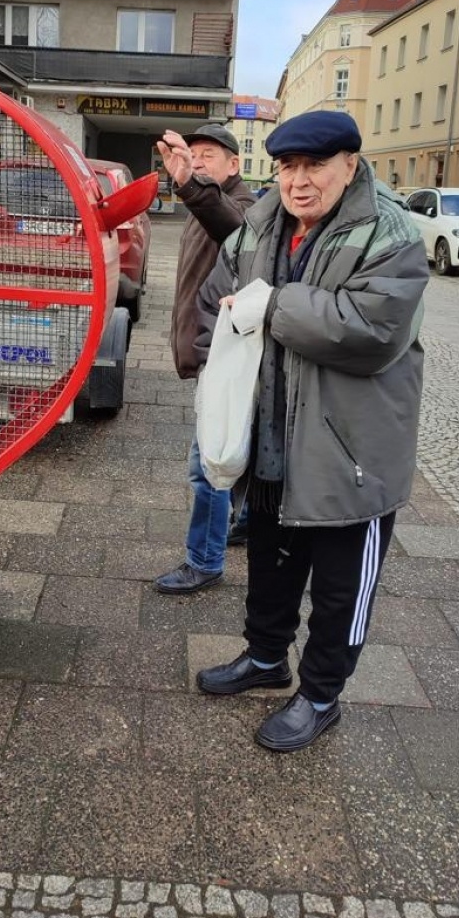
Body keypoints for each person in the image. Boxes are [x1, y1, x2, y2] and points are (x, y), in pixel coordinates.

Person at [193, 110, 428, 751]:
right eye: (287, 166)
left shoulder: (390, 230)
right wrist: (218, 354)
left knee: (339, 589)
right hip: (274, 437)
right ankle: (266, 658)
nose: (298, 181)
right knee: (269, 562)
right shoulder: (266, 218)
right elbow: (223, 289)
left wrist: (271, 306)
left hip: (350, 454)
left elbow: (372, 330)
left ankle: (322, 695)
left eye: (315, 165)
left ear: (350, 163)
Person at [152, 123, 255, 594]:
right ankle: (246, 520)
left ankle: (205, 560)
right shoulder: (204, 202)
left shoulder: (242, 205)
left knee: (208, 463)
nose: (196, 161)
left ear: (234, 165)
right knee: (236, 448)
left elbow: (232, 227)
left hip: (225, 354)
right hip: (212, 349)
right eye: (191, 154)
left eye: (208, 155)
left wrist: (193, 185)